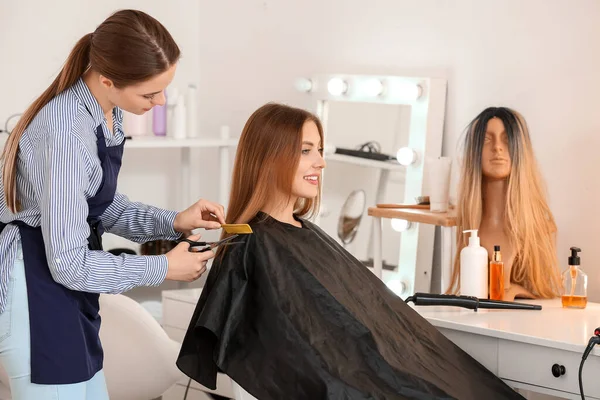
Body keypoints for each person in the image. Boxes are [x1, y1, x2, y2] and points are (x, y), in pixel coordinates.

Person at [176, 103, 524, 400]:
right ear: (269, 157)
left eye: (320, 150)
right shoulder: (256, 242)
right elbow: (300, 357)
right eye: (306, 150)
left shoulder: (305, 233)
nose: (321, 163)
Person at [0, 9, 225, 400]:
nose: (160, 101)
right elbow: (69, 262)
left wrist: (174, 221)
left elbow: (99, 206)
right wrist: (164, 266)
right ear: (107, 79)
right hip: (38, 291)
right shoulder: (66, 131)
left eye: (164, 89)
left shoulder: (105, 114)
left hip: (65, 289)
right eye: (149, 93)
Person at [447, 107, 561, 300]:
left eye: (507, 139)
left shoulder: (541, 228)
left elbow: (546, 293)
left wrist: (515, 289)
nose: (497, 148)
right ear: (474, 152)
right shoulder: (468, 226)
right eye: (486, 140)